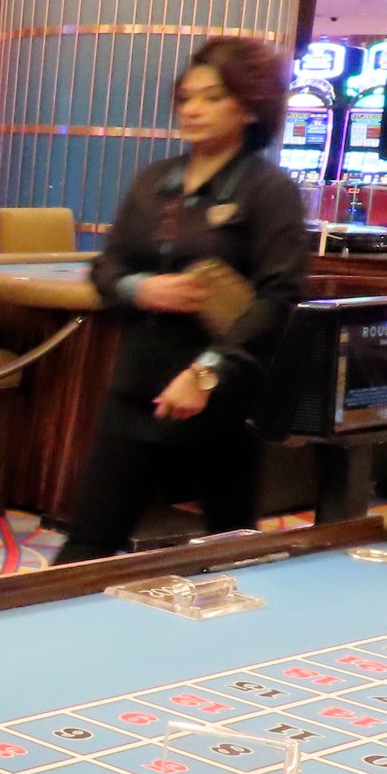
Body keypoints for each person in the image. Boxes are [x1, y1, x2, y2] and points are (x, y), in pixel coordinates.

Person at [54, 39, 310, 564]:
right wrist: (142, 288)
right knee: (89, 540)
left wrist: (207, 372)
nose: (192, 110)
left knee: (233, 546)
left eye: (211, 98)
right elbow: (107, 268)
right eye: (186, 98)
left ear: (248, 105)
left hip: (225, 395)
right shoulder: (154, 182)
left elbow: (278, 298)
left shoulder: (269, 190)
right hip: (140, 383)